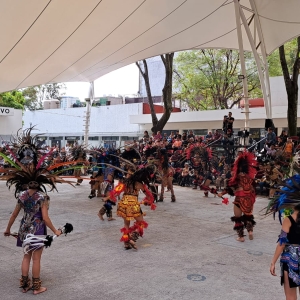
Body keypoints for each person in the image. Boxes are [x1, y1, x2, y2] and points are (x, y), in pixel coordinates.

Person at [268, 175, 300, 299]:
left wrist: (273, 262)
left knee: (291, 297)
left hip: (291, 258)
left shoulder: (289, 219)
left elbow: (282, 242)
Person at [109, 166, 156, 250]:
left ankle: (126, 243)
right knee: (141, 223)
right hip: (133, 204)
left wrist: (109, 198)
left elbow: (116, 191)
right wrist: (148, 201)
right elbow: (149, 196)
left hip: (123, 203)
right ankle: (131, 239)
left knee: (126, 224)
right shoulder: (140, 184)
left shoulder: (125, 182)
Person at [219, 150, 257, 242]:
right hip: (248, 199)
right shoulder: (250, 178)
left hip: (239, 198)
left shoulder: (236, 177)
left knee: (238, 218)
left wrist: (221, 194)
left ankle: (241, 237)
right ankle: (250, 232)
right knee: (248, 216)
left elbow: (230, 188)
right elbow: (253, 189)